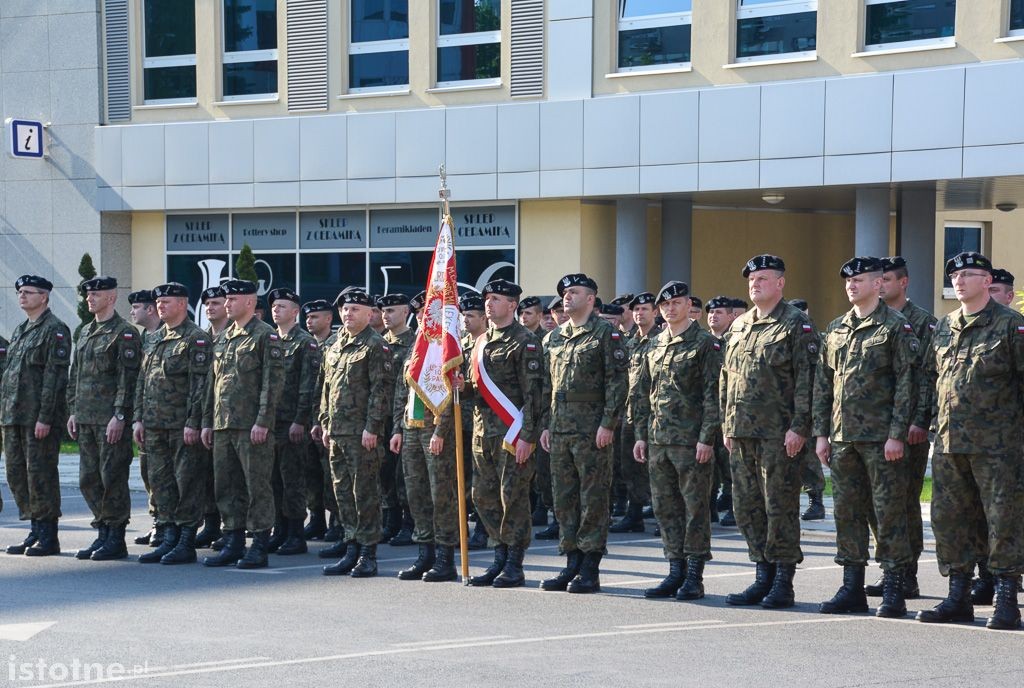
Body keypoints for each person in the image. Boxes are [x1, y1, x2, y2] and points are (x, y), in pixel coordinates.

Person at [917, 252, 1024, 631]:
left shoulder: (1011, 326)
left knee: (1003, 521)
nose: (959, 281)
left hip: (998, 447)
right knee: (951, 521)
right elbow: (932, 381)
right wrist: (924, 424)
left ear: (987, 280)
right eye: (954, 275)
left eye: (968, 274)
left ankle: (1007, 600)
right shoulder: (944, 327)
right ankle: (958, 597)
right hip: (949, 445)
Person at [814, 257, 919, 618]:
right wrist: (821, 434)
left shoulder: (896, 327)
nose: (851, 286)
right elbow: (823, 385)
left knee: (888, 513)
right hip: (843, 439)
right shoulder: (836, 328)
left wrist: (897, 434)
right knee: (847, 512)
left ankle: (894, 587)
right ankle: (852, 586)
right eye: (848, 281)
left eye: (859, 280)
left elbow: (908, 384)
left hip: (881, 439)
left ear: (878, 284)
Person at [720, 255, 816, 609]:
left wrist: (800, 426)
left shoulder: (796, 324)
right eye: (751, 279)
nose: (755, 284)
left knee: (780, 507)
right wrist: (727, 425)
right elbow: (726, 380)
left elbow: (808, 378)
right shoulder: (740, 325)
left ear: (780, 283)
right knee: (747, 507)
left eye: (763, 278)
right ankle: (762, 574)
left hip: (779, 434)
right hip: (742, 432)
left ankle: (783, 580)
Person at [633, 281, 722, 600]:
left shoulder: (704, 344)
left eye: (677, 303)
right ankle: (675, 570)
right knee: (666, 508)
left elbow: (714, 394)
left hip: (691, 441)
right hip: (658, 440)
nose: (671, 308)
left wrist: (707, 437)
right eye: (665, 304)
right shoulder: (654, 344)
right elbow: (644, 393)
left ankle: (694, 575)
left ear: (688, 306)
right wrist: (641, 435)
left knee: (694, 507)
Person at [540, 273, 628, 594]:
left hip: (591, 429)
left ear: (591, 299)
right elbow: (546, 387)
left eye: (574, 292)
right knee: (564, 498)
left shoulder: (606, 334)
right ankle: (571, 562)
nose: (567, 297)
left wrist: (608, 423)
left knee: (592, 497)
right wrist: (545, 425)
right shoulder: (555, 338)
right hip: (560, 427)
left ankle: (590, 567)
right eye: (564, 292)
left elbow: (617, 382)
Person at [465, 279, 544, 588]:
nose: (489, 303)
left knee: (512, 497)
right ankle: (498, 554)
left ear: (512, 305)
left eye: (496, 299)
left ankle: (514, 561)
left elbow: (534, 394)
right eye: (488, 298)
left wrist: (528, 436)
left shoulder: (524, 341)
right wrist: (462, 387)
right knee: (483, 496)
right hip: (483, 432)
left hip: (512, 434)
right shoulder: (480, 341)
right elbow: (476, 389)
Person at [200, 279, 284, 569]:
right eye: (226, 299)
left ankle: (259, 544)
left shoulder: (265, 336)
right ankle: (233, 540)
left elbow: (271, 384)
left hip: (251, 426)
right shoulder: (223, 337)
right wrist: (208, 422)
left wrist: (263, 421)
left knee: (256, 485)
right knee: (227, 485)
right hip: (223, 424)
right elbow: (214, 384)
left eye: (233, 300)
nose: (227, 304)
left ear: (249, 302)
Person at [869, 256, 937, 600]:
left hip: (908, 428)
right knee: (880, 504)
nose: (880, 286)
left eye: (887, 280)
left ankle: (906, 573)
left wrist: (918, 420)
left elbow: (926, 376)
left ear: (903, 283)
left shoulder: (922, 322)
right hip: (875, 429)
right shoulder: (877, 321)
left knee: (905, 502)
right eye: (877, 280)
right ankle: (891, 569)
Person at [133, 283, 210, 564]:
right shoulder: (153, 339)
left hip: (181, 425)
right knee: (161, 482)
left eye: (167, 301)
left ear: (182, 304)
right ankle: (168, 536)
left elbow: (200, 385)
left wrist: (193, 422)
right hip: (154, 424)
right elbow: (144, 381)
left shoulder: (195, 339)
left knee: (186, 481)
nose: (160, 306)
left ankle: (186, 540)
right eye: (158, 301)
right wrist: (138, 418)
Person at [319, 288, 393, 578]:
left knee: (365, 493)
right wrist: (325, 422)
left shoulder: (375, 345)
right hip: (337, 432)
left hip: (362, 434)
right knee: (343, 493)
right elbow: (327, 388)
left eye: (355, 309)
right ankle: (351, 546)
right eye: (345, 309)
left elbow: (381, 391)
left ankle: (368, 552)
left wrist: (372, 427)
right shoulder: (336, 345)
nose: (348, 314)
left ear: (369, 314)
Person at [67, 277, 142, 561]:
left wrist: (120, 415)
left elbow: (128, 377)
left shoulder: (123, 332)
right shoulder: (85, 331)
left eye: (95, 295)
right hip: (86, 417)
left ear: (111, 297)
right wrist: (73, 410)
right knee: (89, 478)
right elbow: (76, 374)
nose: (89, 299)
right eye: (88, 295)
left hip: (110, 420)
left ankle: (115, 536)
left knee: (112, 478)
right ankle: (102, 531)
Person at [2, 275, 71, 557]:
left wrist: (45, 417)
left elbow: (54, 378)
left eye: (28, 292)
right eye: (20, 292)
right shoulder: (20, 330)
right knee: (17, 474)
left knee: (40, 474)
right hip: (14, 415)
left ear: (43, 297)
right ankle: (34, 527)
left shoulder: (55, 330)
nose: (22, 296)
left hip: (37, 418)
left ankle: (48, 534)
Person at [389, 351, 459, 583]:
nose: (421, 316)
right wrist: (397, 429)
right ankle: (425, 553)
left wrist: (441, 430)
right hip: (411, 427)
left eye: (424, 312)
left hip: (434, 429)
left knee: (440, 494)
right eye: (418, 313)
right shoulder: (415, 349)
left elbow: (450, 394)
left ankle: (445, 557)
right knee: (416, 493)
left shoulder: (445, 348)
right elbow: (402, 392)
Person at [267, 288, 320, 556]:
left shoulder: (304, 342)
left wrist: (301, 420)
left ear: (295, 311)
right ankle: (280, 529)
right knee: (273, 479)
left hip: (291, 423)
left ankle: (296, 534)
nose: (277, 310)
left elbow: (307, 385)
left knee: (293, 480)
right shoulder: (271, 339)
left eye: (283, 306)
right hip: (272, 421)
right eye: (275, 306)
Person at [610, 292, 658, 534]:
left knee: (656, 467)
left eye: (645, 309)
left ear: (655, 312)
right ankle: (635, 512)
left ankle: (661, 515)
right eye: (636, 309)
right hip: (630, 414)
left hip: (655, 415)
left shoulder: (661, 340)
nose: (639, 314)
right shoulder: (629, 342)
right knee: (629, 465)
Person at [378, 292, 417, 546]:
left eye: (391, 311)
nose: (386, 315)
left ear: (405, 312)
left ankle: (407, 522)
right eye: (384, 311)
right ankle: (388, 519)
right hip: (380, 416)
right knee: (383, 472)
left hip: (402, 416)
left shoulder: (414, 343)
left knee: (404, 474)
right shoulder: (379, 343)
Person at [303, 299, 340, 543]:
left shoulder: (335, 345)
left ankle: (336, 522)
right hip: (305, 417)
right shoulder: (306, 345)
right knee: (310, 473)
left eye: (315, 317)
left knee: (331, 474)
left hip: (326, 419)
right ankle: (315, 518)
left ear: (328, 319)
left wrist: (321, 419)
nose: (310, 321)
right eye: (308, 317)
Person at [128, 289, 163, 546]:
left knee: (165, 477)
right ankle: (156, 522)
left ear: (150, 310)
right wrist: (137, 417)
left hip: (167, 421)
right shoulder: (144, 337)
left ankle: (168, 526)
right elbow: (140, 381)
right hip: (147, 419)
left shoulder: (167, 335)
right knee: (148, 474)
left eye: (136, 307)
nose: (132, 312)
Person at [194, 286, 228, 549]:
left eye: (216, 303)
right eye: (207, 304)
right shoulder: (201, 338)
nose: (210, 307)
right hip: (206, 415)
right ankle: (211, 524)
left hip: (230, 417)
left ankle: (231, 528)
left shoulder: (233, 337)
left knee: (227, 478)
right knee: (205, 475)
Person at [789, 298, 826, 522]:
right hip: (782, 410)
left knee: (808, 458)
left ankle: (816, 500)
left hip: (806, 407)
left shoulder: (811, 335)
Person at [457, 292, 488, 550]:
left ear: (483, 318)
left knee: (482, 480)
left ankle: (483, 527)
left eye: (470, 315)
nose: (465, 320)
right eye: (463, 315)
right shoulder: (459, 345)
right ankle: (462, 528)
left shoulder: (488, 344)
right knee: (463, 478)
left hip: (486, 422)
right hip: (461, 423)